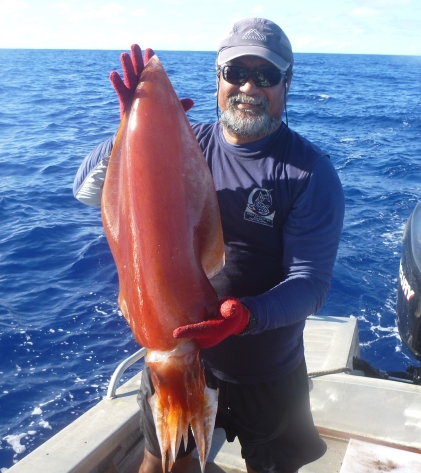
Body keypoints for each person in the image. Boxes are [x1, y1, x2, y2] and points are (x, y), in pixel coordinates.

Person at [73, 18, 344, 473]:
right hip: (180, 359)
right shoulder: (186, 143)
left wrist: (245, 317)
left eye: (266, 75)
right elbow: (85, 190)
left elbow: (310, 283)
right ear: (218, 79)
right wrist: (128, 131)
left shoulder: (309, 173)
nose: (248, 87)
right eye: (236, 73)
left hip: (268, 370)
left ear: (287, 82)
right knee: (162, 465)